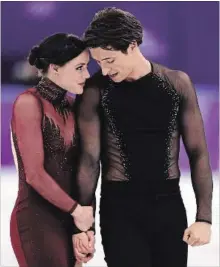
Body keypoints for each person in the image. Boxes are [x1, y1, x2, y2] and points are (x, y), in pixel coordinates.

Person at [73, 7, 213, 267]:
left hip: (168, 206)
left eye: (110, 60)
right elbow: (89, 159)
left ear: (132, 45)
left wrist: (204, 218)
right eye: (99, 62)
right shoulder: (95, 90)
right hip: (119, 209)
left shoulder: (176, 83)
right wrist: (84, 225)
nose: (104, 70)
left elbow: (198, 153)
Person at [10, 33, 95, 267]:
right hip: (38, 221)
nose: (86, 75)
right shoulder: (28, 103)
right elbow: (34, 174)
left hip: (71, 221)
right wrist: (77, 211)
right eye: (79, 68)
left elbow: (84, 170)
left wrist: (85, 226)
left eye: (87, 67)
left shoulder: (72, 106)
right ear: (55, 68)